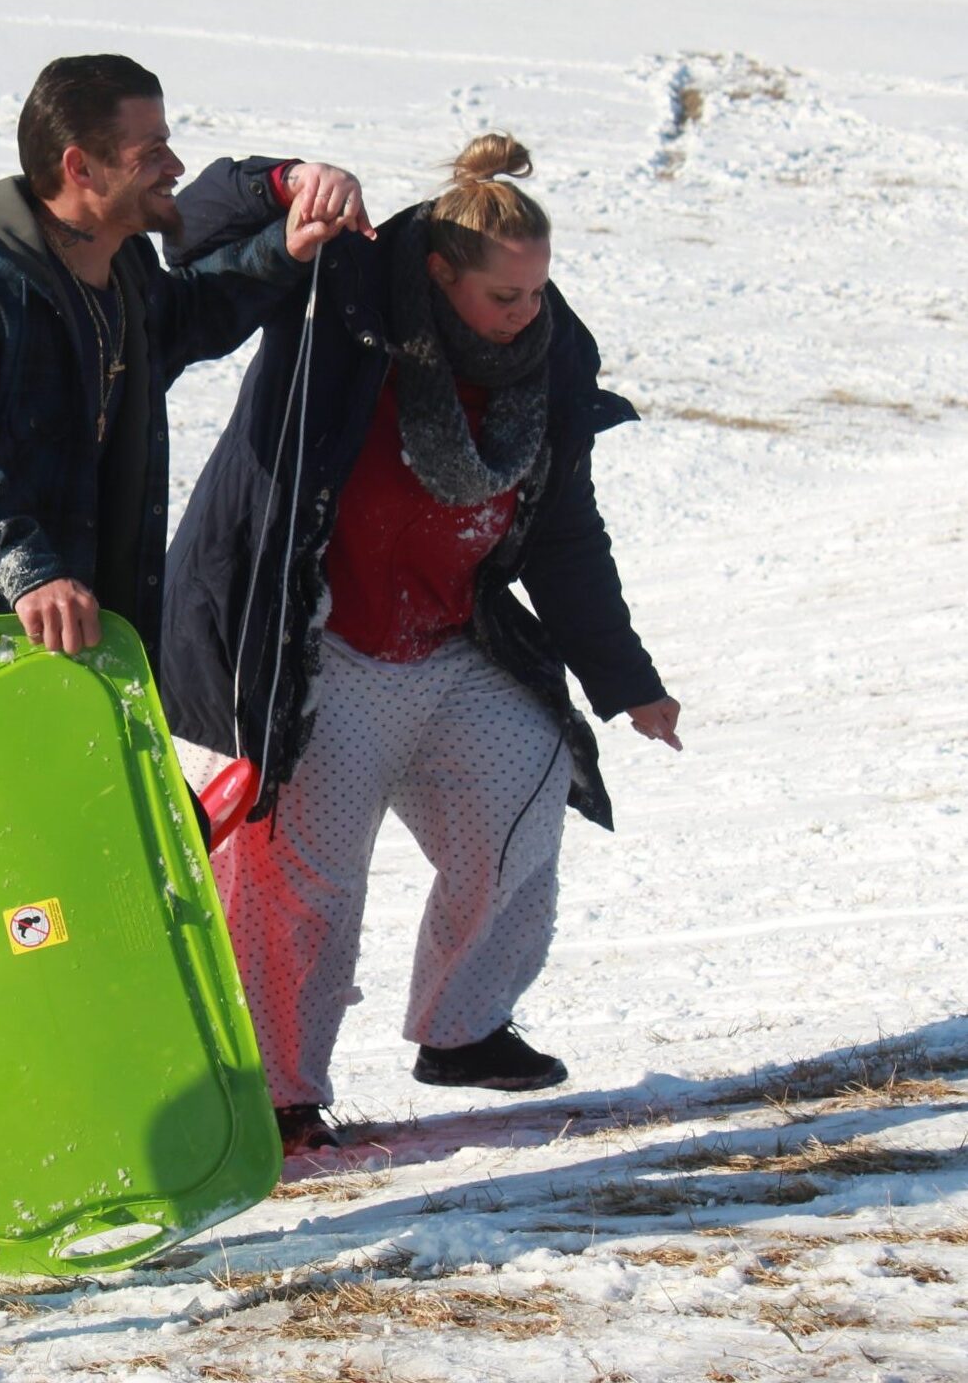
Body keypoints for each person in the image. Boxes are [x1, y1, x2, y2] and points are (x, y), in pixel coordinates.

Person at [0, 52, 372, 1251]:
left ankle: (52, 1130)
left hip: (37, 653)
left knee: (43, 898)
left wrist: (285, 253)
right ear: (76, 167)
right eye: (149, 149)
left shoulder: (115, 274)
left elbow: (192, 318)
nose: (170, 165)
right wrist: (27, 564)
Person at [159, 134, 682, 1156]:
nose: (525, 314)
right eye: (503, 297)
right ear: (440, 276)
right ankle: (274, 1090)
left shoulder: (548, 359)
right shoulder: (345, 298)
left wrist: (627, 682)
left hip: (447, 640)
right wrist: (281, 184)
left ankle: (462, 1028)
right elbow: (192, 234)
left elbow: (564, 530)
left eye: (537, 292)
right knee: (306, 875)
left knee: (525, 794)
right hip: (316, 643)